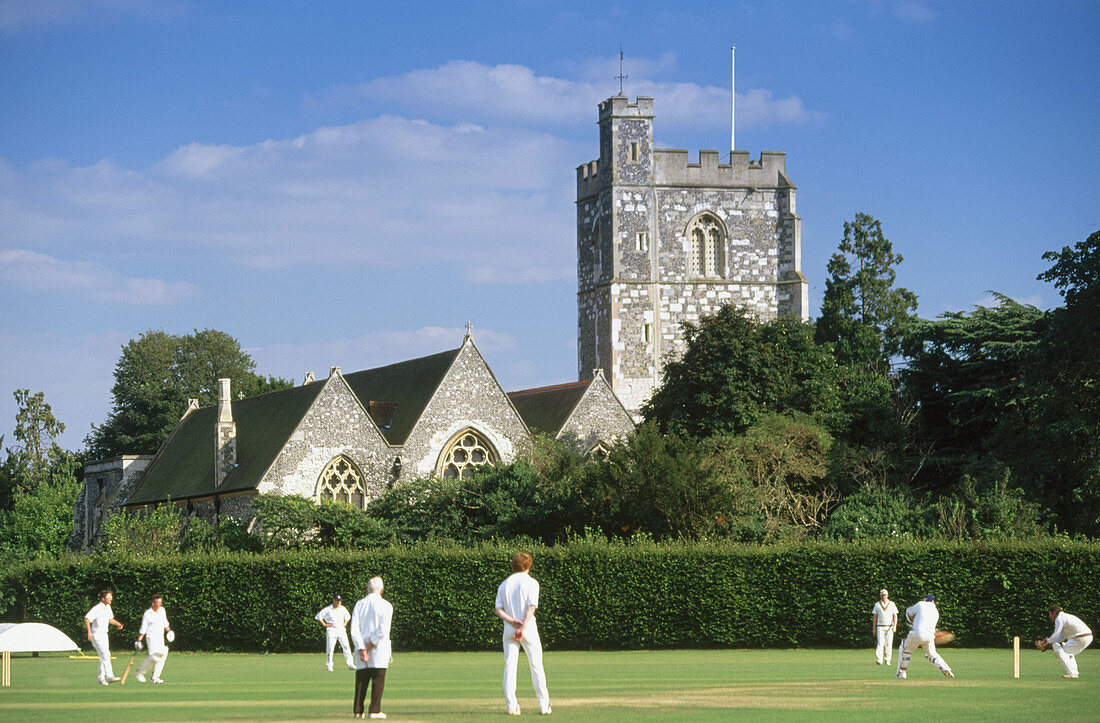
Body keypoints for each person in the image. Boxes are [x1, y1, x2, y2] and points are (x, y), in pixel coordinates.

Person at [494, 552, 551, 716]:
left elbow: (498, 609)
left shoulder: (504, 584)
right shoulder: (532, 583)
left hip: (510, 628)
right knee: (536, 666)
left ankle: (511, 706)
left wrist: (512, 622)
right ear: (529, 565)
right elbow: (531, 607)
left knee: (510, 666)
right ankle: (543, 705)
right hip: (528, 628)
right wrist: (522, 627)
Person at [350, 577, 393, 720]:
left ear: (367, 589)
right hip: (378, 648)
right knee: (378, 678)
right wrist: (368, 647)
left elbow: (354, 629)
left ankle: (358, 710)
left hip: (362, 648)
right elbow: (383, 631)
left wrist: (362, 648)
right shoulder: (386, 605)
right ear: (382, 589)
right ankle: (374, 710)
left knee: (361, 679)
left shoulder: (359, 604)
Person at [895, 594, 953, 679]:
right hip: (929, 636)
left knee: (905, 650)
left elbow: (908, 612)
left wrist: (911, 622)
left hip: (916, 633)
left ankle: (902, 673)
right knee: (932, 654)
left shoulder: (921, 604)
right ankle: (945, 668)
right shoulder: (936, 612)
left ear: (925, 600)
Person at [83, 589, 124, 686]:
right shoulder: (97, 608)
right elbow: (87, 618)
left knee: (103, 656)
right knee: (105, 654)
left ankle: (100, 679)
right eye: (108, 597)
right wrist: (89, 632)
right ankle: (109, 676)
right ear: (102, 598)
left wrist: (118, 624)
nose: (111, 599)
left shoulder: (108, 607)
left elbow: (109, 619)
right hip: (96, 635)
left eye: (111, 597)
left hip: (104, 635)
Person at [1040, 605, 1093, 678]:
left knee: (1060, 652)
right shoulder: (1065, 617)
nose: (1049, 616)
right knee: (1067, 651)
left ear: (1054, 613)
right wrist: (1050, 642)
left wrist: (1047, 641)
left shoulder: (1059, 618)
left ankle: (1072, 674)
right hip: (1085, 637)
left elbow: (1056, 634)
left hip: (1081, 638)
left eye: (1050, 614)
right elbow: (1062, 636)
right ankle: (1074, 673)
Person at [134, 594, 172, 684]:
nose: (159, 604)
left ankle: (155, 677)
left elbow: (165, 623)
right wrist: (139, 640)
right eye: (157, 603)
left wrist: (169, 631)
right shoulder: (147, 614)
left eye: (160, 602)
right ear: (152, 603)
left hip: (160, 637)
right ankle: (139, 672)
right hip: (151, 638)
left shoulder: (162, 610)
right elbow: (143, 629)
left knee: (163, 653)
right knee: (155, 657)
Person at [316, 594, 354, 671]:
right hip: (331, 630)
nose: (338, 602)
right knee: (330, 648)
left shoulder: (343, 609)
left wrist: (345, 623)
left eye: (339, 601)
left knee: (346, 647)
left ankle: (350, 664)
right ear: (333, 600)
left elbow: (347, 617)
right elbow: (319, 617)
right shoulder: (327, 609)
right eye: (337, 600)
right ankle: (329, 665)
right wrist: (325, 624)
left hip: (341, 630)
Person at [871, 588, 898, 666]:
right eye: (882, 595)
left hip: (889, 627)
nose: (883, 596)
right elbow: (875, 617)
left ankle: (887, 660)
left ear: (887, 595)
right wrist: (874, 628)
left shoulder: (892, 604)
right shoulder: (877, 604)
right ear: (880, 596)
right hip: (880, 627)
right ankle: (879, 659)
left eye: (885, 595)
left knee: (889, 644)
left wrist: (894, 626)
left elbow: (895, 615)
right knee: (880, 643)